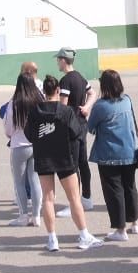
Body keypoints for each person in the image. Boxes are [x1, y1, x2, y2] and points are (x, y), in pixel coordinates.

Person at [24, 75, 100, 251]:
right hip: (64, 158)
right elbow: (76, 133)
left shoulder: (35, 112)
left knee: (48, 200)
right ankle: (84, 235)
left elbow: (29, 135)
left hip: (44, 158)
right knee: (74, 198)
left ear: (44, 92)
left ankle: (52, 239)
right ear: (58, 91)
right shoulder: (66, 112)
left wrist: (43, 138)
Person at [87, 69, 138, 240]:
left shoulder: (101, 106)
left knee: (114, 191)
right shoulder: (127, 100)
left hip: (109, 154)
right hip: (129, 150)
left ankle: (120, 229)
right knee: (130, 187)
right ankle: (136, 221)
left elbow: (90, 128)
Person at [2, 70, 42, 225]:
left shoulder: (14, 103)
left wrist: (11, 135)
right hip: (37, 144)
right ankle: (37, 215)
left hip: (19, 145)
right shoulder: (39, 100)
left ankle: (24, 215)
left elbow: (8, 128)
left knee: (19, 181)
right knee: (35, 180)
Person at [55, 48, 94, 209]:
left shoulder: (65, 80)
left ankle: (75, 202)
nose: (57, 62)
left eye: (58, 59)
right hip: (82, 124)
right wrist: (86, 107)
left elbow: (62, 107)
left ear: (63, 60)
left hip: (71, 127)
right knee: (83, 162)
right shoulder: (80, 77)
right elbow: (93, 93)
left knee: (73, 165)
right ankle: (87, 198)